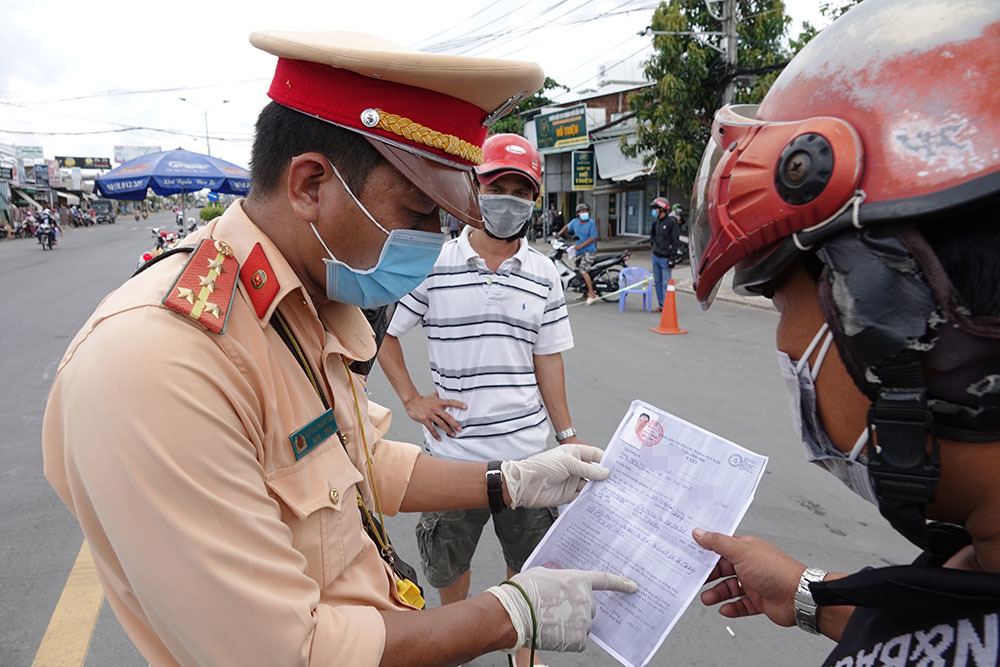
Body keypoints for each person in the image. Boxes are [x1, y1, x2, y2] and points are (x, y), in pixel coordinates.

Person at [42, 31, 636, 667]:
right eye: (418, 213)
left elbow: (357, 463)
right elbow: (286, 652)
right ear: (309, 185)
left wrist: (509, 480)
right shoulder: (160, 362)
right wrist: (508, 614)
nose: (435, 244)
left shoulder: (301, 300)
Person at [685, 1, 1000, 663]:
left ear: (890, 316)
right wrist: (804, 593)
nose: (785, 352)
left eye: (781, 308)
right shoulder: (976, 559)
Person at [379, 133, 580, 667]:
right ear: (474, 188)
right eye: (499, 185)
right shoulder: (433, 263)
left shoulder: (544, 274)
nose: (509, 198)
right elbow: (384, 330)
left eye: (521, 189)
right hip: (452, 462)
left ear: (534, 200)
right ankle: (455, 651)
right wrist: (412, 398)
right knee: (450, 572)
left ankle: (524, 659)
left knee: (528, 574)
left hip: (529, 460)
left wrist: (565, 436)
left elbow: (549, 360)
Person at [557, 202, 598, 304]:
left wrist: (581, 246)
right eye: (582, 211)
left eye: (586, 211)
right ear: (577, 214)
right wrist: (558, 234)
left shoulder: (591, 223)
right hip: (579, 251)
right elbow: (567, 226)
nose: (585, 213)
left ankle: (592, 294)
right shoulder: (575, 222)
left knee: (583, 270)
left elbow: (593, 238)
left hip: (589, 251)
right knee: (578, 273)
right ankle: (585, 294)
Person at [649, 197, 680, 313]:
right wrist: (653, 246)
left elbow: (675, 242)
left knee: (666, 284)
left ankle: (667, 306)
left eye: (655, 209)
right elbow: (652, 236)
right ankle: (661, 305)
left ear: (662, 209)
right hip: (656, 256)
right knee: (657, 282)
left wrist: (672, 258)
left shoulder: (672, 223)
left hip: (666, 258)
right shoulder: (655, 222)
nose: (654, 211)